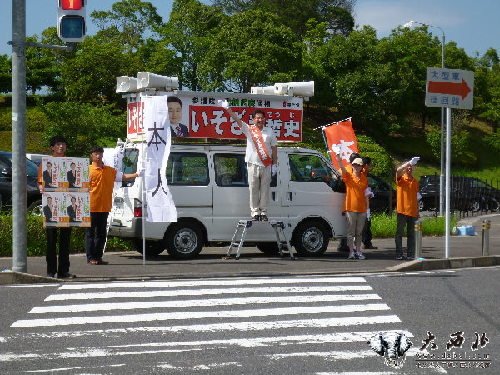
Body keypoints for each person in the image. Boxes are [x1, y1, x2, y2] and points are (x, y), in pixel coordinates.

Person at [219, 100, 277, 221]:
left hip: (266, 165)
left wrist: (275, 164)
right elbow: (237, 120)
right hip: (252, 164)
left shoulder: (270, 132)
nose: (259, 120)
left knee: (265, 190)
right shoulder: (249, 130)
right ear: (253, 119)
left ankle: (264, 212)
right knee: (253, 189)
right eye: (257, 118)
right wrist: (228, 108)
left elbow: (274, 148)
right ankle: (255, 212)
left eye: (261, 118)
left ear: (264, 119)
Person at [86, 146, 140, 265]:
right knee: (90, 233)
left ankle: (98, 257)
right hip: (90, 206)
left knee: (101, 233)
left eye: (100, 153)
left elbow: (123, 177)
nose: (98, 156)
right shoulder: (87, 170)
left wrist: (136, 174)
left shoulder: (110, 170)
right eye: (96, 153)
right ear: (92, 156)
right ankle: (90, 257)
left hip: (104, 206)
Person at [37, 135, 74, 279]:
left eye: (63, 144)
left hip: (66, 205)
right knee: (51, 240)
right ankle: (51, 271)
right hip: (51, 205)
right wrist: (41, 187)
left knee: (65, 240)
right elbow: (40, 182)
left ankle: (64, 271)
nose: (61, 146)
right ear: (52, 147)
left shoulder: (72, 163)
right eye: (58, 144)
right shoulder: (46, 163)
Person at [336, 153, 368, 259]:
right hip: (350, 208)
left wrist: (368, 209)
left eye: (358, 165)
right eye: (354, 164)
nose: (356, 166)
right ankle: (351, 252)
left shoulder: (364, 178)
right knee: (351, 232)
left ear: (361, 166)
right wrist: (339, 160)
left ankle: (358, 251)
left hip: (362, 208)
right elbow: (343, 170)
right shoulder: (348, 176)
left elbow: (366, 194)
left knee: (359, 232)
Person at [395, 157, 420, 260]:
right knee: (399, 233)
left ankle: (410, 254)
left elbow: (416, 197)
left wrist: (418, 211)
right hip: (402, 210)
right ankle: (399, 253)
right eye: (407, 167)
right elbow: (398, 171)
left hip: (413, 211)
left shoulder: (415, 182)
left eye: (411, 167)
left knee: (411, 235)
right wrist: (408, 163)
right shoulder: (401, 179)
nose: (409, 169)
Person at [361, 157, 377, 249]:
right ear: (366, 165)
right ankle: (365, 242)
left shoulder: (365, 174)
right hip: (362, 203)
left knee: (367, 223)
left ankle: (367, 242)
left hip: (366, 202)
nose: (371, 167)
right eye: (370, 165)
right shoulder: (361, 174)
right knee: (365, 224)